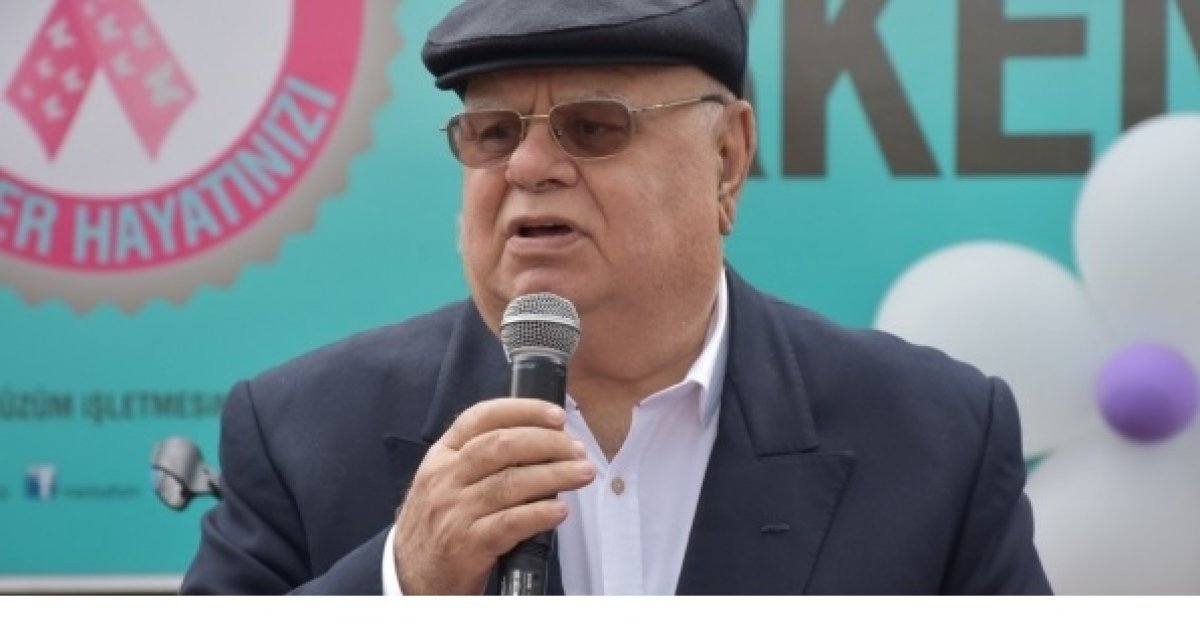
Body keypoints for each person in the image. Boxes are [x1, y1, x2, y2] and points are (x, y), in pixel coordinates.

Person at [181, 0, 1051, 595]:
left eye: (593, 127)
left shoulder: (936, 436)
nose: (528, 166)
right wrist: (402, 586)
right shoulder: (302, 431)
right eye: (492, 132)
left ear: (727, 159)